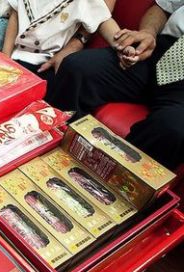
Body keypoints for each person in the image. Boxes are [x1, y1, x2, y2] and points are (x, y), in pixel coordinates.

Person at [48, 1, 184, 169]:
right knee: (76, 68)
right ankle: (52, 146)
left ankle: (110, 177)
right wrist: (148, 32)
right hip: (163, 50)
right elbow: (162, 7)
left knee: (171, 128)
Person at [1, 0, 122, 88]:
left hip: (46, 63)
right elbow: (15, 16)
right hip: (15, 57)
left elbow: (104, 20)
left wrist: (122, 45)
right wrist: (4, 59)